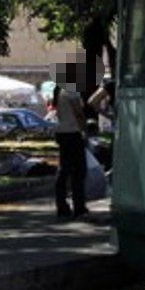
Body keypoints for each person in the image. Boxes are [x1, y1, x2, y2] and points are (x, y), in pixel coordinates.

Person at [52, 56, 89, 220]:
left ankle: (62, 204)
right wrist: (85, 130)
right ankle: (78, 205)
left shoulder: (60, 90)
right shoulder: (71, 89)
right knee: (78, 171)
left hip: (62, 132)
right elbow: (79, 113)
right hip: (73, 133)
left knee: (65, 169)